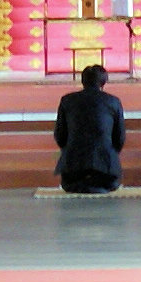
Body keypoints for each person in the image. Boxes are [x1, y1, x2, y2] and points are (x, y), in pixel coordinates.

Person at [55, 62, 126, 194]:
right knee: (109, 183)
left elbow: (60, 136)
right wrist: (109, 155)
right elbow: (119, 138)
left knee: (72, 184)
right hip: (106, 175)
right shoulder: (113, 101)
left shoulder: (67, 100)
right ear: (104, 82)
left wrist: (70, 151)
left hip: (72, 174)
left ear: (83, 81)